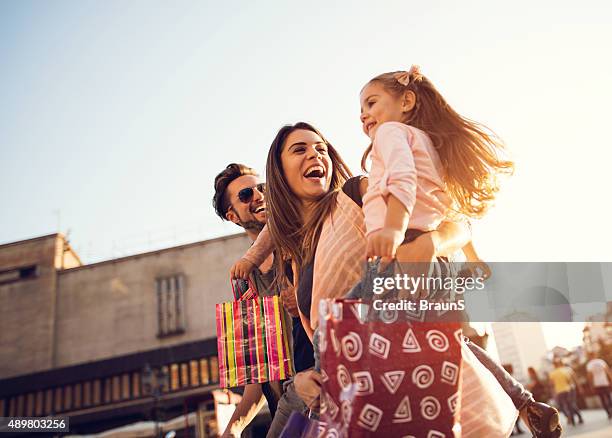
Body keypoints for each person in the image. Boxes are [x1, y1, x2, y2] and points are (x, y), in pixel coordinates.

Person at [234, 120, 560, 437]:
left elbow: (454, 221)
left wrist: (429, 244)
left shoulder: (355, 195)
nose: (315, 155)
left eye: (321, 149)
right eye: (300, 149)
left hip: (409, 382)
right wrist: (308, 379)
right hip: (356, 397)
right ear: (279, 171)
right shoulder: (297, 252)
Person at [212, 163, 312, 438]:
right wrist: (233, 429)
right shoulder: (244, 284)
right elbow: (258, 376)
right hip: (287, 407)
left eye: (262, 188)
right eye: (246, 194)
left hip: (320, 389)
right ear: (232, 215)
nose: (258, 195)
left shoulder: (302, 244)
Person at [549, 358, 584, 426]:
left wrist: (553, 394)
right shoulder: (566, 370)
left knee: (564, 406)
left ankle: (572, 418)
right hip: (569, 390)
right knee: (571, 404)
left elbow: (551, 385)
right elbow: (574, 379)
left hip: (560, 392)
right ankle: (575, 417)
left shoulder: (554, 373)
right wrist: (579, 387)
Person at [586, 351, 612, 419]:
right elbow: (608, 371)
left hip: (597, 384)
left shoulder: (590, 364)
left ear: (590, 356)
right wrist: (610, 380)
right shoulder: (601, 361)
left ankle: (608, 413)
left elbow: (590, 376)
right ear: (595, 355)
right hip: (605, 382)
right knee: (609, 397)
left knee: (602, 399)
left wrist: (591, 385)